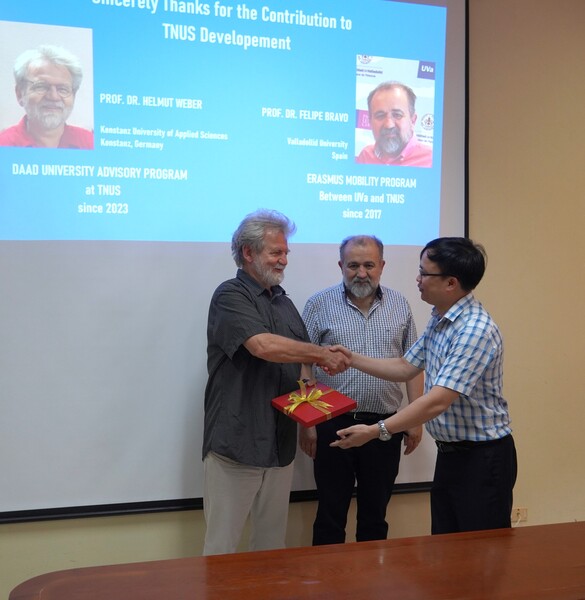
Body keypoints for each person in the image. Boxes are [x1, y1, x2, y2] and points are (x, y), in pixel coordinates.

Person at [331, 237, 517, 535]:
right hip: (451, 456)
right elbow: (406, 367)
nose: (417, 279)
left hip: (482, 460)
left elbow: (437, 401)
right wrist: (350, 359)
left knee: (481, 553)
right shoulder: (441, 318)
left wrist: (376, 430)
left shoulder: (474, 330)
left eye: (424, 273)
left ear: (451, 283)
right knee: (446, 546)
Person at [202, 209, 350, 555]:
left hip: (279, 445)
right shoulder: (230, 295)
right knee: (221, 548)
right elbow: (263, 346)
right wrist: (321, 353)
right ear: (248, 252)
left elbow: (301, 365)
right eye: (276, 252)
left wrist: (308, 423)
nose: (284, 260)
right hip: (237, 444)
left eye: (286, 252)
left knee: (271, 547)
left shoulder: (284, 303)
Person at [300, 235, 424, 545]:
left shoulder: (400, 304)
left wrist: (415, 420)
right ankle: (328, 576)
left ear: (382, 266)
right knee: (330, 514)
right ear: (341, 265)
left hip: (384, 427)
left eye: (369, 265)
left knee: (375, 516)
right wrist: (307, 422)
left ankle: (371, 576)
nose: (361, 273)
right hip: (333, 425)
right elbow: (303, 364)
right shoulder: (318, 304)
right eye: (353, 265)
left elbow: (413, 365)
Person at [0, 45, 93, 149]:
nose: (53, 96)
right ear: (20, 94)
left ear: (73, 96)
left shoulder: (90, 143)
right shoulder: (3, 144)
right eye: (41, 86)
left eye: (62, 89)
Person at [356, 81, 432, 167]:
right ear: (370, 121)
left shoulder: (431, 160)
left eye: (397, 115)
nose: (389, 125)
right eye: (380, 116)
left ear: (413, 120)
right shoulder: (365, 156)